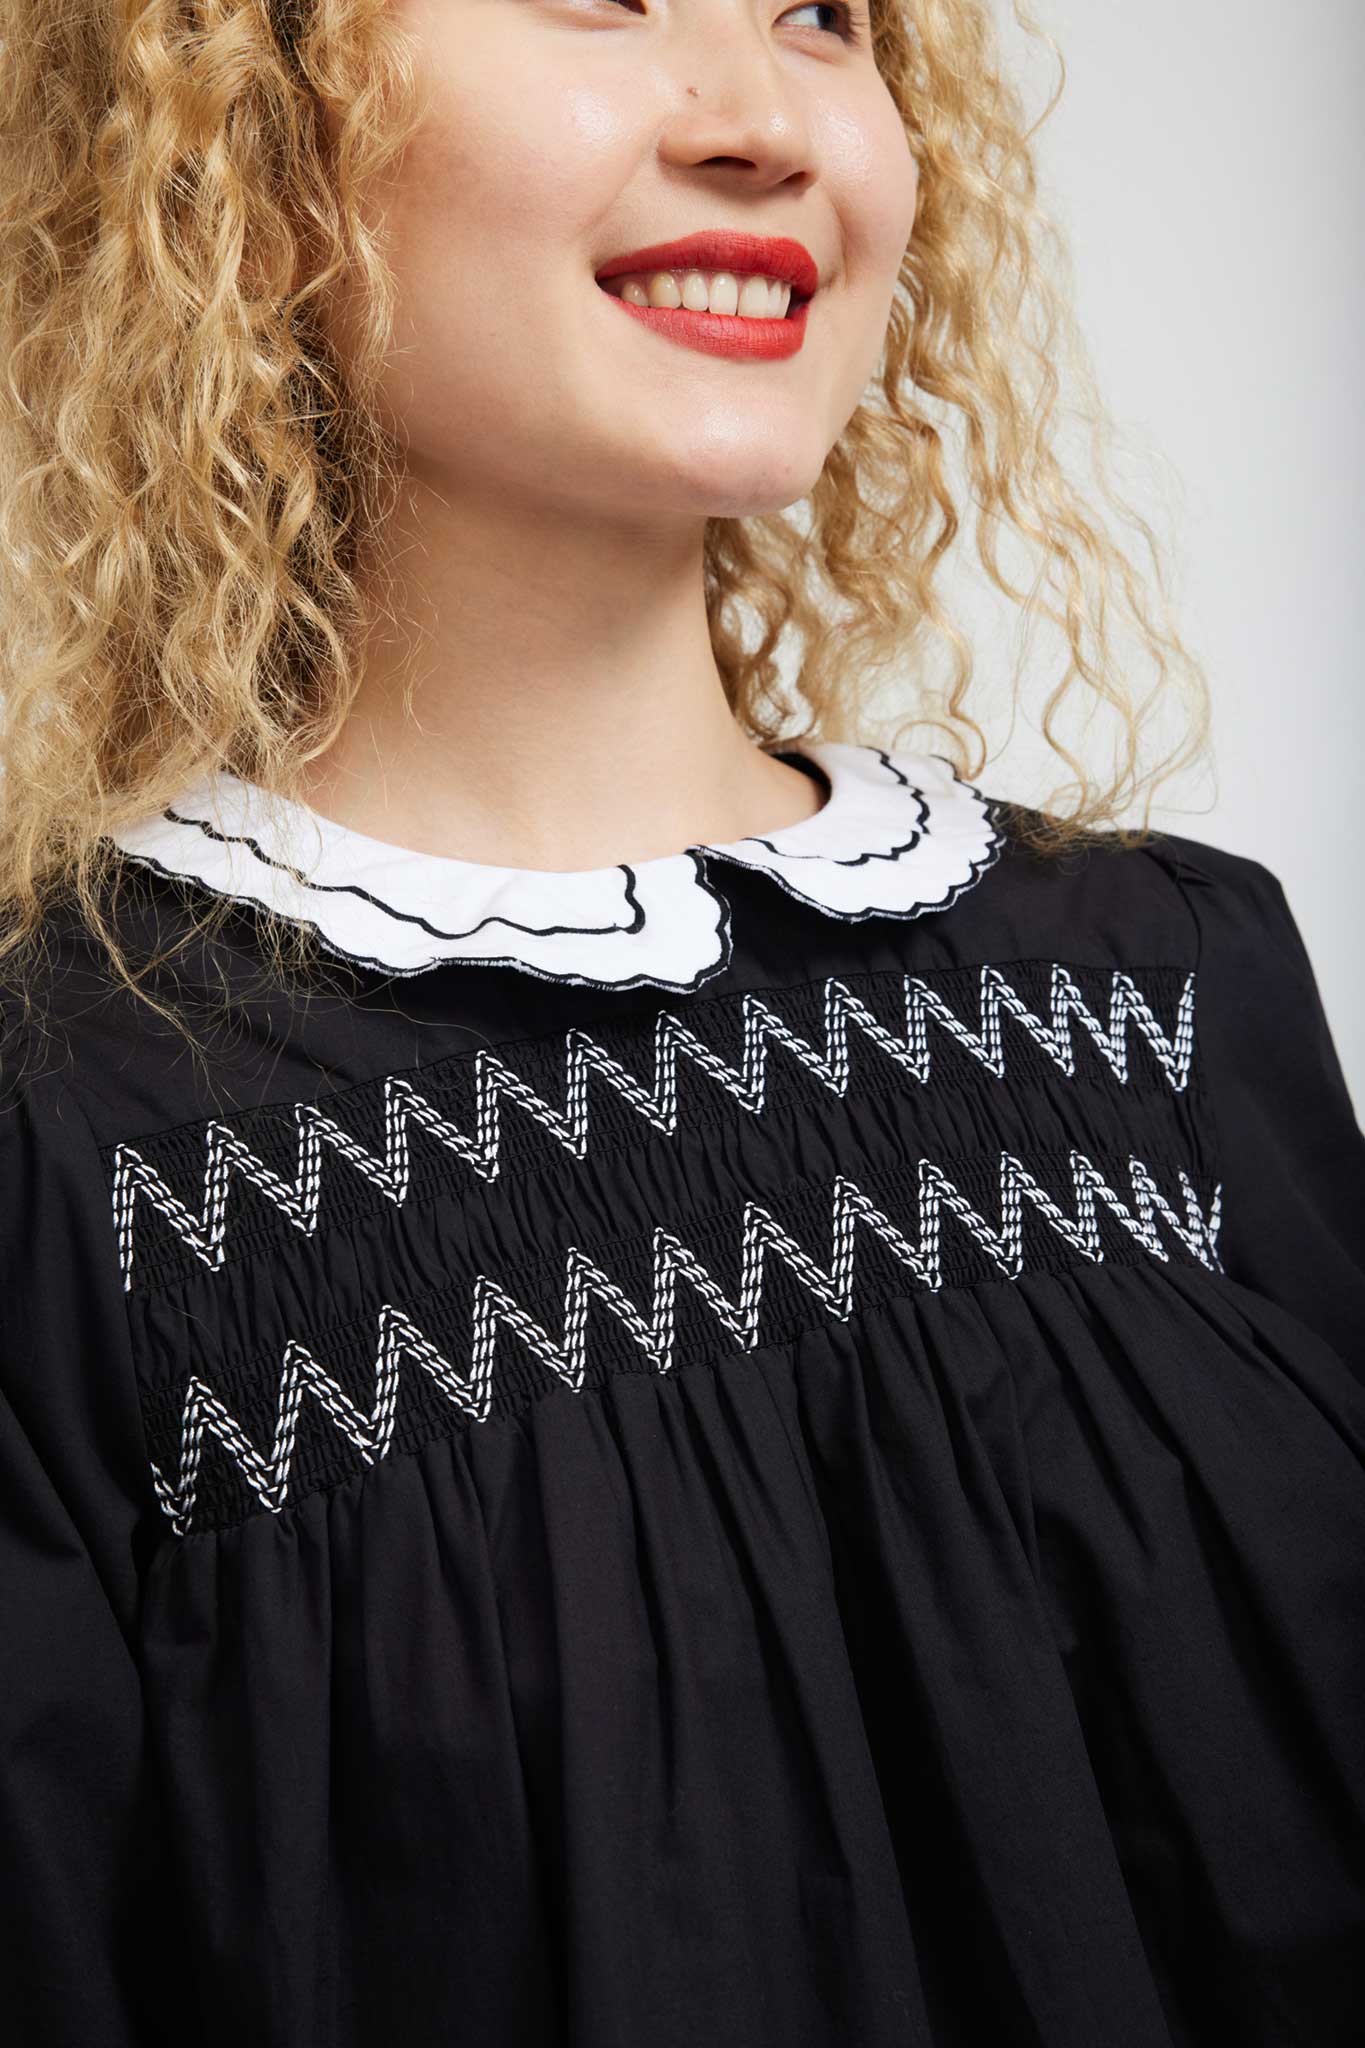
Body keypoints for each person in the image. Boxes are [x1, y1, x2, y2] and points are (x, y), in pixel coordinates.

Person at [0, 0, 1360, 2042]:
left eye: (822, 15)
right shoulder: (71, 1153)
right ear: (251, 156)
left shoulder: (1176, 988)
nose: (760, 120)